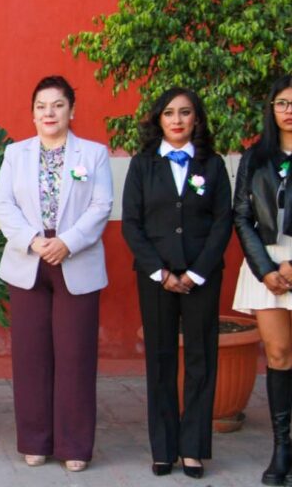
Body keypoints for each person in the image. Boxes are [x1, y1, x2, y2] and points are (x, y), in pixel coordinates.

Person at [0, 75, 113, 472]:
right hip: (29, 261)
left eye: (58, 105)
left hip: (75, 260)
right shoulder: (15, 154)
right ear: (32, 113)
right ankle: (35, 440)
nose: (49, 112)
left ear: (71, 111)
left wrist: (69, 242)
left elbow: (101, 205)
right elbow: (4, 205)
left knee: (75, 356)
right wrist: (33, 240)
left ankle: (75, 445)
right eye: (42, 106)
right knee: (31, 356)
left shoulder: (93, 154)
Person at [121, 88, 232, 479]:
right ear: (159, 120)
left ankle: (193, 448)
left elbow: (223, 222)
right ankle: (164, 448)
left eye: (185, 113)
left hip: (202, 275)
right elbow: (131, 224)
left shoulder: (213, 165)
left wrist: (196, 272)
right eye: (169, 113)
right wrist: (161, 272)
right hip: (156, 279)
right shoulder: (143, 165)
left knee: (202, 360)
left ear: (196, 119)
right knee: (161, 359)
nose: (177, 120)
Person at [233, 74, 292, 486]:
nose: (289, 110)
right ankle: (282, 448)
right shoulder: (256, 157)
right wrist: (266, 269)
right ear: (271, 109)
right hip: (266, 265)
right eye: (282, 103)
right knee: (279, 354)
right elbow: (241, 215)